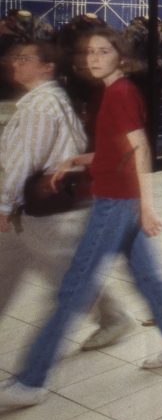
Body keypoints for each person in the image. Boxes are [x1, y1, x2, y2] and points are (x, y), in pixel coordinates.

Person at [0, 28, 162, 410]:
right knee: (148, 277)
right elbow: (116, 149)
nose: (94, 58)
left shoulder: (120, 94)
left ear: (120, 57)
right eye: (90, 52)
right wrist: (78, 160)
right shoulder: (111, 92)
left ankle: (31, 381)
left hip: (115, 203)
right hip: (116, 197)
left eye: (103, 51)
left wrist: (147, 206)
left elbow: (140, 149)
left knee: (72, 291)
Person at [0, 41, 134, 352]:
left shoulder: (38, 106)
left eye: (24, 59)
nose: (15, 63)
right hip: (44, 205)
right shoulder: (49, 99)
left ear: (47, 67)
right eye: (14, 58)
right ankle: (114, 317)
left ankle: (115, 317)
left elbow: (23, 162)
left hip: (40, 208)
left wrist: (4, 206)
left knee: (67, 271)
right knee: (17, 268)